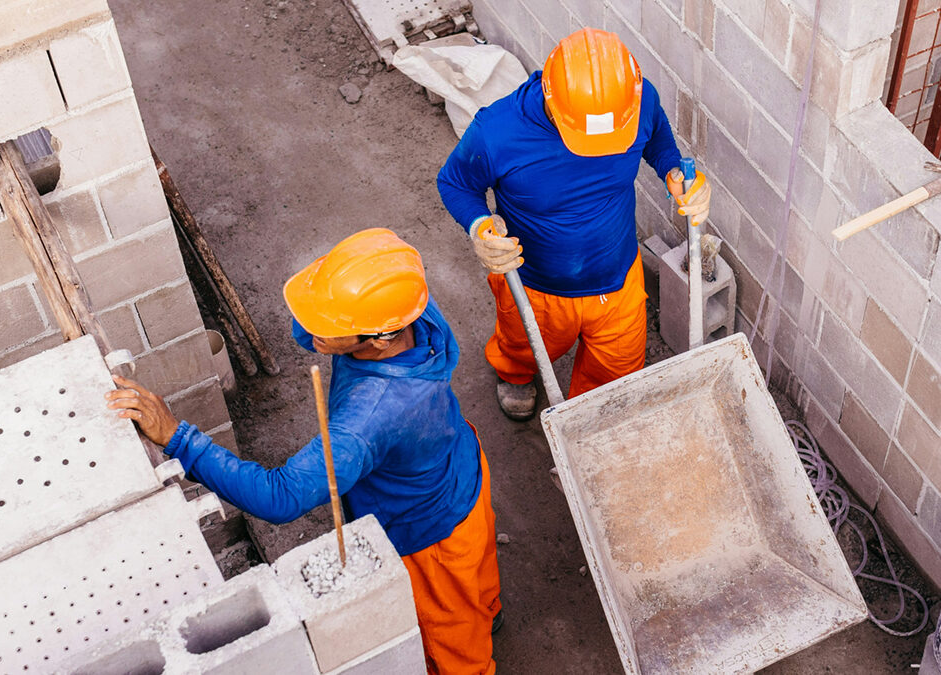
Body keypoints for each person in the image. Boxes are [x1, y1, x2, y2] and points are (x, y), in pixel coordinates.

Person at [106, 228, 501, 675]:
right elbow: (309, 329)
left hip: (429, 535)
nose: (313, 331)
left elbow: (282, 497)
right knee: (478, 582)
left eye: (329, 326)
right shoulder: (409, 307)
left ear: (379, 340)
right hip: (463, 468)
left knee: (454, 645)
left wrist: (179, 438)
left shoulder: (368, 421)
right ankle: (487, 610)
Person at [437, 27, 712, 421]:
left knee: (613, 385)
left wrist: (675, 172)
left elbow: (659, 143)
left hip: (617, 278)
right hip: (535, 284)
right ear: (552, 102)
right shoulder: (497, 132)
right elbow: (454, 182)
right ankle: (515, 373)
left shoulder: (637, 101)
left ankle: (590, 420)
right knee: (524, 345)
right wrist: (479, 226)